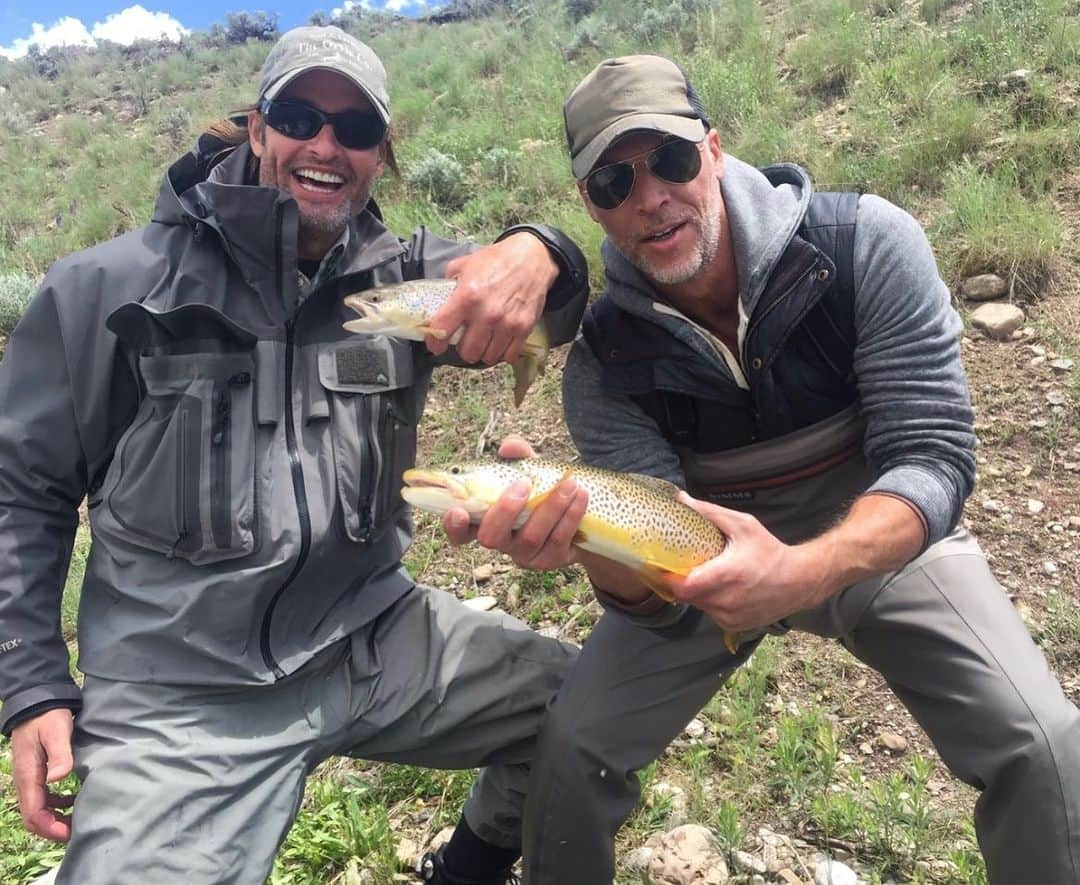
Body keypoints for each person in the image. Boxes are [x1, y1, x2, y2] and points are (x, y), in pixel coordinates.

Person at [442, 55, 1080, 884]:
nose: (650, 197)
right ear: (589, 204)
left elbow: (932, 454)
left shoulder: (864, 246)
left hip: (874, 534)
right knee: (574, 747)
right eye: (612, 182)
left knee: (1046, 745)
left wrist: (803, 569)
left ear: (713, 148)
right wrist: (593, 548)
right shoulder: (602, 360)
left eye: (669, 160)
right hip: (700, 558)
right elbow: (655, 598)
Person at [0, 25, 591, 885]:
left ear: (382, 155)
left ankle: (463, 872)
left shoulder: (412, 281)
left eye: (355, 130)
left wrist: (543, 248)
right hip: (181, 694)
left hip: (372, 634)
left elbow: (557, 305)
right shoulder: (111, 290)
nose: (325, 144)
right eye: (301, 114)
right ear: (256, 126)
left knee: (590, 716)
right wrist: (32, 682)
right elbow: (21, 489)